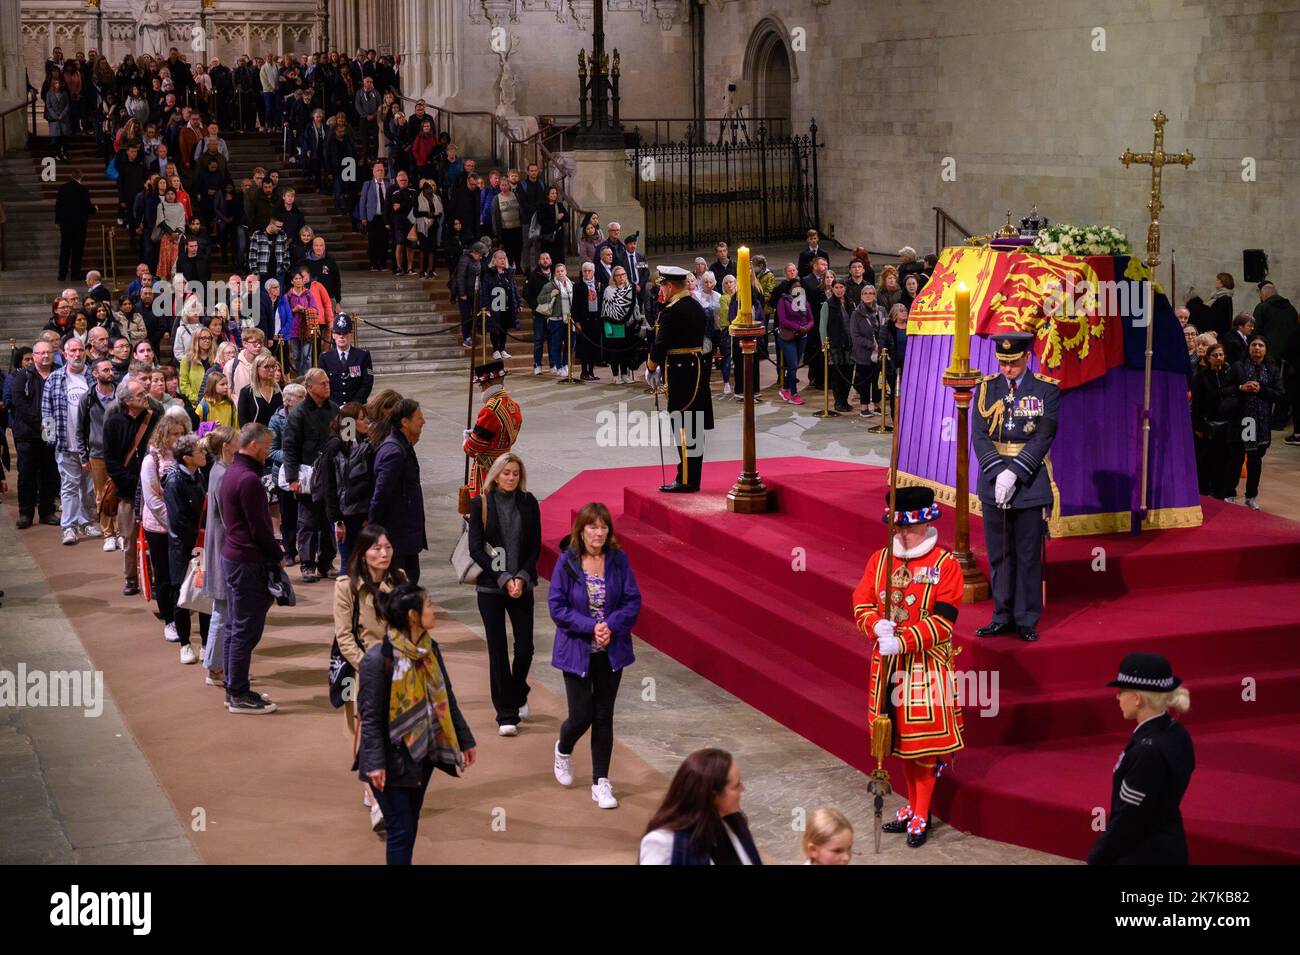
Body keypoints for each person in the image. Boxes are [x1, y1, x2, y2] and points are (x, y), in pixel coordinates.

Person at [852, 486, 965, 848]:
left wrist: (905, 639)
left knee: (924, 746)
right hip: (886, 666)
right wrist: (874, 625)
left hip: (925, 667)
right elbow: (862, 601)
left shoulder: (945, 566)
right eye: (896, 529)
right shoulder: (880, 560)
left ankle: (922, 811)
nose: (901, 535)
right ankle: (913, 805)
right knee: (896, 741)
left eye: (907, 529)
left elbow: (944, 623)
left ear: (927, 523)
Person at [355, 581, 476, 864]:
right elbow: (369, 718)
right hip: (389, 758)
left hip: (423, 753)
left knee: (410, 825)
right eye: (429, 606)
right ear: (413, 615)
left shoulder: (430, 648)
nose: (434, 611)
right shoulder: (378, 660)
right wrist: (374, 762)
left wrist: (465, 739)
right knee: (401, 829)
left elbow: (446, 697)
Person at [548, 502, 641, 808]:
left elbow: (632, 600)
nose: (598, 532)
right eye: (592, 527)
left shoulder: (619, 559)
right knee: (581, 715)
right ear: (581, 530)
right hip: (577, 651)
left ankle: (601, 781)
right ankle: (563, 747)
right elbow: (557, 607)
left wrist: (609, 626)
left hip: (610, 651)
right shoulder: (567, 562)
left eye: (603, 527)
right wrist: (592, 627)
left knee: (603, 716)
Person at [972, 332, 1060, 643]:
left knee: (1026, 553)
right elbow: (980, 436)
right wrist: (998, 474)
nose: (1007, 369)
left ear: (1026, 357)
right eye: (1003, 362)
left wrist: (1014, 474)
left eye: (1013, 362)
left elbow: (1043, 436)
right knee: (999, 553)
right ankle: (1002, 615)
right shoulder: (987, 387)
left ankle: (1026, 617)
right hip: (993, 481)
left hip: (1029, 481)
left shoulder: (1046, 390)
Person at [1087, 653, 1194, 865]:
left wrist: (1096, 858)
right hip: (1170, 847)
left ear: (1137, 698)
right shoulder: (1178, 733)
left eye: (1120, 692)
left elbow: (1128, 820)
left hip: (1142, 855)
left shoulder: (1147, 751)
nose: (1117, 697)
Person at [334, 525, 406, 832]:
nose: (384, 553)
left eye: (387, 547)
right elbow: (343, 636)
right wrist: (370, 667)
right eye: (377, 548)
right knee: (367, 735)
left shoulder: (400, 579)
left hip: (399, 669)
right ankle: (377, 801)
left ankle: (381, 790)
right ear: (363, 552)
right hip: (362, 670)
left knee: (395, 736)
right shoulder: (346, 585)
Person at [467, 452, 541, 737]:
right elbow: (475, 548)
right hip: (491, 587)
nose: (511, 477)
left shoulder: (529, 502)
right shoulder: (481, 504)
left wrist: (520, 577)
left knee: (525, 649)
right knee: (497, 650)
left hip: (522, 584)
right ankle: (505, 713)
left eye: (515, 473)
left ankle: (518, 691)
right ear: (496, 475)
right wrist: (503, 577)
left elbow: (535, 546)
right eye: (506, 472)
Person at [219, 423, 282, 714]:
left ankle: (235, 687)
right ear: (254, 445)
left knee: (235, 626)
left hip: (233, 557)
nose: (268, 452)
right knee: (245, 629)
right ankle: (238, 694)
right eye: (267, 446)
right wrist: (276, 554)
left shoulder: (231, 473)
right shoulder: (249, 480)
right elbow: (260, 528)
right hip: (247, 561)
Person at [645, 266, 714, 492]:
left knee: (683, 426)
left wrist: (651, 366)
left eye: (663, 286)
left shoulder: (672, 310)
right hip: (697, 369)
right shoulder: (695, 305)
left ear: (671, 286)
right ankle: (693, 477)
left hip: (681, 372)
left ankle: (685, 479)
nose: (661, 291)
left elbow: (661, 343)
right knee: (695, 427)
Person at [640, 748, 760, 865]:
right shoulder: (664, 843)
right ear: (713, 796)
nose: (742, 789)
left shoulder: (735, 822)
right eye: (736, 786)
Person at [283, 368, 339, 582]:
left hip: (330, 474)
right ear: (310, 387)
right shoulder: (298, 413)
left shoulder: (334, 409)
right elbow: (290, 447)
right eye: (323, 383)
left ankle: (326, 562)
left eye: (328, 382)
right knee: (307, 521)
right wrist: (292, 478)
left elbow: (346, 437)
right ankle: (307, 565)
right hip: (307, 475)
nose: (327, 386)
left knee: (329, 519)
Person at [40, 338, 98, 545]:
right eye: (72, 350)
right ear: (64, 354)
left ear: (85, 352)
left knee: (88, 488)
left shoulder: (94, 376)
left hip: (91, 444)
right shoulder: (55, 379)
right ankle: (69, 526)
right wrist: (50, 440)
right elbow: (47, 412)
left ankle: (87, 521)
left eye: (80, 350)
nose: (77, 354)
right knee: (69, 486)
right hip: (65, 442)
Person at [103, 378, 158, 595]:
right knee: (128, 536)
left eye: (145, 393)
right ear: (126, 401)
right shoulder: (114, 423)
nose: (145, 397)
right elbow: (111, 462)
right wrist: (132, 483)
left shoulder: (155, 419)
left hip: (154, 489)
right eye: (140, 395)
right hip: (126, 491)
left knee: (155, 537)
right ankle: (131, 578)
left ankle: (154, 579)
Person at [162, 432, 210, 666]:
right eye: (200, 452)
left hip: (200, 546)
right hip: (182, 549)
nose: (204, 455)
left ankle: (206, 644)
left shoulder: (199, 475)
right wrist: (200, 536)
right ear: (187, 458)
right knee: (181, 597)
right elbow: (178, 520)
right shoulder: (173, 481)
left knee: (202, 594)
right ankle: (185, 644)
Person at [369, 398, 426, 583]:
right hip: (397, 535)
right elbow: (381, 495)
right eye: (419, 418)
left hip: (405, 535)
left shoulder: (403, 446)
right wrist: (373, 527)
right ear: (404, 422)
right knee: (401, 585)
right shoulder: (395, 452)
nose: (423, 421)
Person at [1223, 335, 1282, 509]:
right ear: (1248, 348)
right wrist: (1241, 388)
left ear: (1266, 349)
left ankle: (1251, 497)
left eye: (1260, 345)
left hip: (1261, 423)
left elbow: (1280, 394)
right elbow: (1225, 389)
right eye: (1254, 345)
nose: (1257, 348)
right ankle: (1229, 493)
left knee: (1255, 462)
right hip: (1241, 420)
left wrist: (1261, 389)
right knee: (1235, 459)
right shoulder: (1238, 367)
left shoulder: (1271, 369)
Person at [10, 340, 60, 529]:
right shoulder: (23, 376)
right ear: (35, 356)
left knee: (49, 474)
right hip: (28, 434)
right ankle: (26, 513)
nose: (45, 356)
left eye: (49, 352)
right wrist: (39, 423)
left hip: (52, 432)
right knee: (27, 475)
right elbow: (19, 403)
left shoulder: (59, 373)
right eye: (41, 353)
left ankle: (47, 512)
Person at [200, 425, 236, 688]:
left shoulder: (219, 471)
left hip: (219, 547)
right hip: (223, 549)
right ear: (226, 447)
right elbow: (228, 518)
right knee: (222, 612)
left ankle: (218, 664)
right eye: (236, 441)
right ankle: (214, 667)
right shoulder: (222, 474)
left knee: (222, 611)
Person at [78, 356, 122, 548]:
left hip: (121, 452)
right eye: (105, 370)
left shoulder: (121, 396)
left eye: (111, 369)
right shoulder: (87, 399)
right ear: (95, 373)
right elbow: (80, 429)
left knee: (121, 492)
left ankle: (121, 532)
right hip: (97, 453)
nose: (110, 373)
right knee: (101, 495)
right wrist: (83, 455)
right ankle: (108, 533)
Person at [462, 360, 523, 499]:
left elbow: (472, 448)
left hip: (489, 470)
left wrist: (467, 441)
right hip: (506, 462)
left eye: (482, 386)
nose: (482, 389)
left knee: (485, 510)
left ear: (488, 384)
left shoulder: (490, 410)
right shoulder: (513, 405)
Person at [1191, 342, 1232, 498]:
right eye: (1215, 355)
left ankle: (1220, 491)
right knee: (1205, 460)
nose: (1219, 358)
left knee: (1223, 460)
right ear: (1208, 358)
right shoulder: (1201, 376)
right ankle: (1203, 491)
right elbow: (1197, 403)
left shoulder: (1229, 374)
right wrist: (1198, 426)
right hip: (1207, 423)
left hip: (1226, 425)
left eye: (1221, 355)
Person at [319, 313, 374, 405]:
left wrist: (354, 404)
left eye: (345, 333)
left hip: (356, 407)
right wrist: (333, 405)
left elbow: (367, 383)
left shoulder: (363, 356)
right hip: (333, 408)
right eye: (338, 333)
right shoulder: (325, 358)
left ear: (351, 335)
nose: (341, 336)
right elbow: (322, 384)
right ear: (333, 335)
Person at [55, 170, 97, 283]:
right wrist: (95, 209)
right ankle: (75, 273)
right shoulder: (83, 189)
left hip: (66, 225)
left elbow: (58, 206)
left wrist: (57, 221)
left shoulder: (63, 188)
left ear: (71, 176)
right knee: (77, 250)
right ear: (81, 177)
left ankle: (62, 274)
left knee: (65, 250)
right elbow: (87, 207)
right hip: (79, 226)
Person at [775, 283, 813, 406]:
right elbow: (783, 320)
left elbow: (811, 319)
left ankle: (785, 389)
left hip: (802, 337)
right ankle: (794, 394)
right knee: (792, 366)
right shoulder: (783, 301)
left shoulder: (804, 302)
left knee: (794, 365)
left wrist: (806, 328)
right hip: (788, 337)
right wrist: (798, 327)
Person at [602, 265, 639, 384]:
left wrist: (636, 320)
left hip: (628, 325)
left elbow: (635, 306)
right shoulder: (608, 290)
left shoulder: (630, 289)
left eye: (623, 274)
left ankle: (624, 374)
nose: (621, 277)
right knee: (615, 352)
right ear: (614, 277)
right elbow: (606, 309)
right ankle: (615, 375)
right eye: (618, 275)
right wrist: (608, 326)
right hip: (614, 325)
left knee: (625, 352)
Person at [236, 351, 282, 427]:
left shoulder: (280, 390)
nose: (271, 370)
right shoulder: (246, 392)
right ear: (256, 369)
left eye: (273, 366)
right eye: (266, 367)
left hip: (276, 435)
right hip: (255, 436)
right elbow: (242, 420)